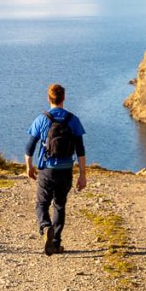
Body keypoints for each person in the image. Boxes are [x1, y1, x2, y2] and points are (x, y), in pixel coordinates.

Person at [25, 83, 87, 256]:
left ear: (48, 98)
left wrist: (29, 167)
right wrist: (82, 175)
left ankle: (45, 227)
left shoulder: (41, 119)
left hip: (47, 170)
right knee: (59, 205)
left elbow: (29, 147)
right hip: (66, 170)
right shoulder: (73, 120)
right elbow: (80, 150)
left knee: (41, 203)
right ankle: (56, 243)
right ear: (63, 98)